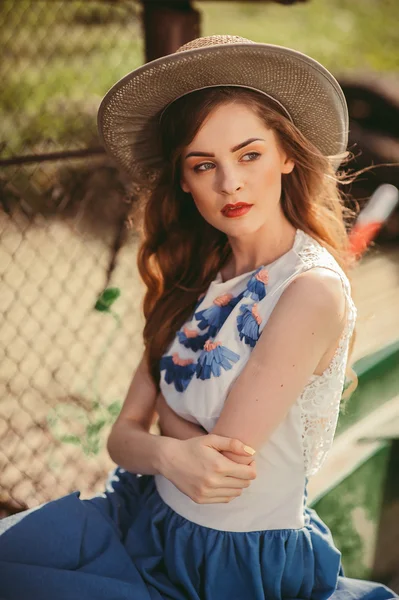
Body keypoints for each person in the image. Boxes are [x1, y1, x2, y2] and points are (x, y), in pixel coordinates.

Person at [0, 35, 396, 600]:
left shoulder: (309, 289)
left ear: (287, 154)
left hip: (230, 565)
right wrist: (169, 450)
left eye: (249, 154)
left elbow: (220, 470)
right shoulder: (193, 277)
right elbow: (121, 441)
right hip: (144, 519)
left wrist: (160, 421)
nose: (229, 182)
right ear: (184, 180)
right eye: (203, 163)